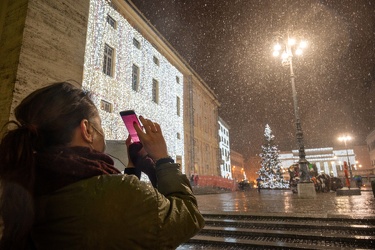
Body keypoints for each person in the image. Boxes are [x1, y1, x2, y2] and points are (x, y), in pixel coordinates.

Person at [0, 82, 205, 250]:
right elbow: (188, 217)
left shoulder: (26, 183)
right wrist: (163, 159)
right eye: (99, 127)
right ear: (86, 130)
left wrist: (133, 167)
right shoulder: (121, 193)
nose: (102, 135)